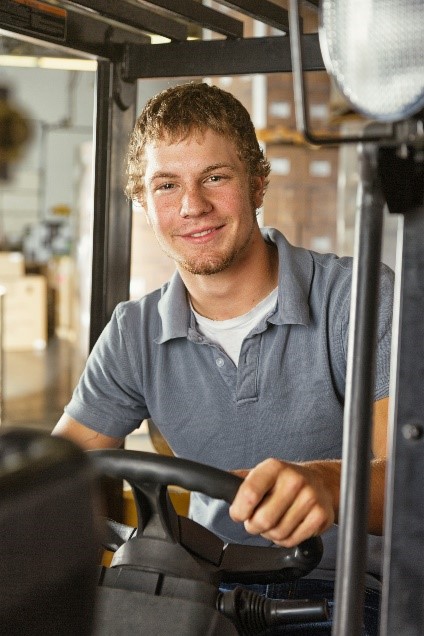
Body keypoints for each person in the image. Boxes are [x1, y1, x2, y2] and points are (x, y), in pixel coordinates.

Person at [53, 81, 393, 634]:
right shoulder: (133, 332)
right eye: (167, 185)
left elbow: (410, 476)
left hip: (347, 589)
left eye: (215, 177)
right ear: (142, 201)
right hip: (201, 585)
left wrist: (328, 486)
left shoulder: (354, 299)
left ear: (258, 184)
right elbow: (61, 472)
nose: (193, 206)